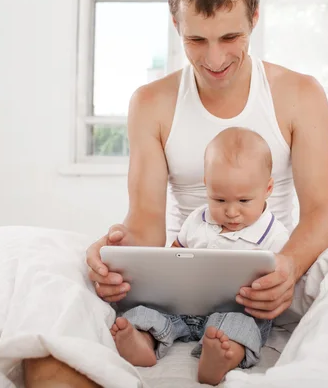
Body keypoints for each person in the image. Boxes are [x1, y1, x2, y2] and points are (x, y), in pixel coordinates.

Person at [23, 0, 328, 386]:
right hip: (182, 277)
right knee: (50, 281)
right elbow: (146, 223)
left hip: (261, 280)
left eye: (230, 38)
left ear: (254, 17)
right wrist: (117, 254)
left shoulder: (300, 95)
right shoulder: (151, 102)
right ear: (176, 24)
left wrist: (289, 267)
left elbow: (322, 214)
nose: (214, 59)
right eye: (196, 40)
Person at [110, 127, 290, 385]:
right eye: (219, 199)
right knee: (144, 312)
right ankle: (141, 342)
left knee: (243, 328)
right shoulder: (197, 220)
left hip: (235, 312)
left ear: (268, 188)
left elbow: (283, 281)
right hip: (183, 309)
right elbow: (174, 254)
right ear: (206, 185)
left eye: (243, 201)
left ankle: (220, 357)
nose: (231, 212)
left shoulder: (275, 236)